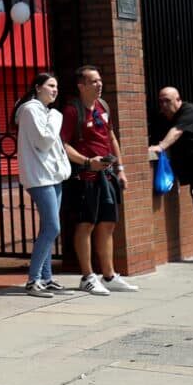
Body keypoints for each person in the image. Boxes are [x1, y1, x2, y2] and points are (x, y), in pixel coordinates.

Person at [60, 66, 138, 295]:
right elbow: (63, 144)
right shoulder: (72, 111)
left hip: (108, 175)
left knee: (108, 223)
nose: (99, 84)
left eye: (100, 80)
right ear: (81, 86)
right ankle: (87, 277)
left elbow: (111, 138)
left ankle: (109, 275)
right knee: (86, 224)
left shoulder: (103, 106)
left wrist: (121, 169)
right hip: (85, 176)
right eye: (93, 81)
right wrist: (86, 161)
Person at [15, 71, 72, 297]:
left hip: (52, 176)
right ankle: (33, 280)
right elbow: (44, 141)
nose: (54, 90)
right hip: (40, 178)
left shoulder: (45, 112)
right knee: (52, 227)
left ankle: (46, 278)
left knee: (47, 228)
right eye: (50, 85)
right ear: (38, 87)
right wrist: (56, 116)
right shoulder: (31, 110)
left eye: (56, 86)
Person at [149, 87, 193, 258]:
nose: (163, 105)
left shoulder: (188, 110)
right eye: (161, 101)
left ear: (178, 100)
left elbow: (176, 132)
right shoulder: (163, 118)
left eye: (167, 100)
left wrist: (161, 146)